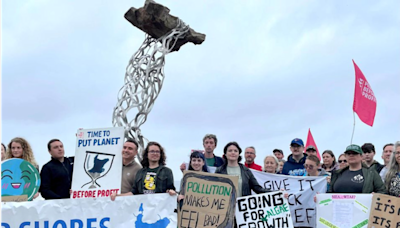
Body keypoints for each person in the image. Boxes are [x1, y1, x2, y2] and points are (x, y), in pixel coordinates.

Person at [111, 142, 176, 200]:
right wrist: (118, 196)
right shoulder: (140, 172)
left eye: (157, 152)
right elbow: (134, 192)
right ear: (147, 154)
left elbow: (171, 190)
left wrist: (171, 192)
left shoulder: (167, 171)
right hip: (143, 208)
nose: (155, 153)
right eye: (152, 151)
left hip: (159, 208)